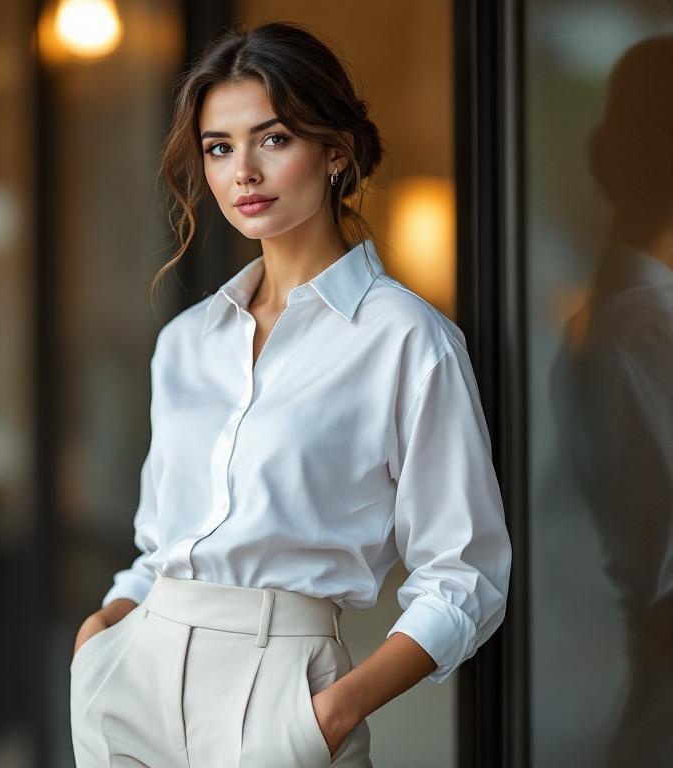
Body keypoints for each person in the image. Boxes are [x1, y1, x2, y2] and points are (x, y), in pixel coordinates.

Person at [69, 20, 512, 768]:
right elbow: (160, 546)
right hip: (132, 684)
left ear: (337, 152)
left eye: (272, 139)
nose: (243, 171)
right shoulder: (186, 342)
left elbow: (466, 575)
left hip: (284, 693)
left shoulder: (405, 339)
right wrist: (101, 632)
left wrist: (334, 712)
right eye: (219, 147)